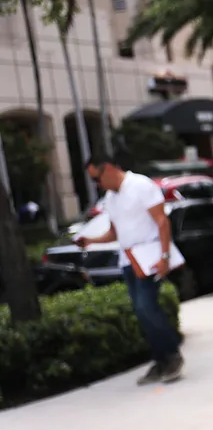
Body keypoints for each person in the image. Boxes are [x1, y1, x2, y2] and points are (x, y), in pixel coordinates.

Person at [76, 155, 184, 384]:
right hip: (129, 261)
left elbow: (162, 222)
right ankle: (160, 360)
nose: (97, 185)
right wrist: (91, 240)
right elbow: (115, 233)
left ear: (109, 169)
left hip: (150, 257)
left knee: (146, 307)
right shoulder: (110, 199)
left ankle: (172, 356)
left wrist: (164, 257)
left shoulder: (141, 185)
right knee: (141, 311)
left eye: (97, 178)